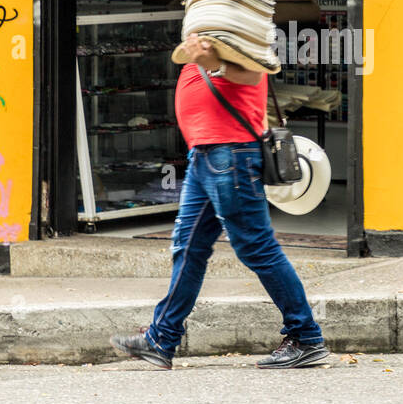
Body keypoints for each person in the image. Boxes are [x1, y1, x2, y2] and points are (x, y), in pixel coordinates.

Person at [111, 33, 328, 370]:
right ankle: (162, 338)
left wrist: (207, 60)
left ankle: (306, 337)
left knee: (256, 246)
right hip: (207, 152)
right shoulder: (213, 22)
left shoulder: (241, 24)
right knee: (189, 246)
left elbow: (252, 74)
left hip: (232, 151)